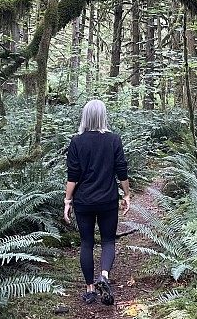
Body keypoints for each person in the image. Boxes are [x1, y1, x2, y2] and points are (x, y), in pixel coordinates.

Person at [63, 99, 131, 305]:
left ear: (85, 117)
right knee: (108, 241)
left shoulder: (76, 141)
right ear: (103, 117)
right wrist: (127, 195)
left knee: (87, 243)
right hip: (108, 200)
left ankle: (90, 289)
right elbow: (122, 171)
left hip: (83, 201)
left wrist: (67, 201)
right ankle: (104, 275)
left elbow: (72, 176)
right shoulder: (114, 140)